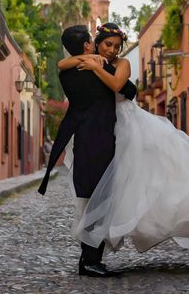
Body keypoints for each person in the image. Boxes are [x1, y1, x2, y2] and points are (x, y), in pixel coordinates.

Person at [58, 22, 189, 257]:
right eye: (107, 44)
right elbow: (63, 63)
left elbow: (116, 84)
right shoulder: (90, 59)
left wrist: (95, 66)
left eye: (116, 46)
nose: (111, 50)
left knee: (161, 173)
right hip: (108, 128)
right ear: (96, 43)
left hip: (131, 124)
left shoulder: (123, 64)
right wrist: (89, 61)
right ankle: (100, 241)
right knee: (126, 184)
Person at [38, 25, 136, 277]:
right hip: (102, 139)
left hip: (83, 141)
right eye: (99, 43)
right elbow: (126, 89)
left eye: (115, 45)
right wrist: (95, 64)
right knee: (99, 199)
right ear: (87, 45)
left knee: (89, 199)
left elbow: (62, 64)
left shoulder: (68, 73)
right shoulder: (97, 68)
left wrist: (90, 62)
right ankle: (90, 260)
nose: (108, 49)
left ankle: (89, 258)